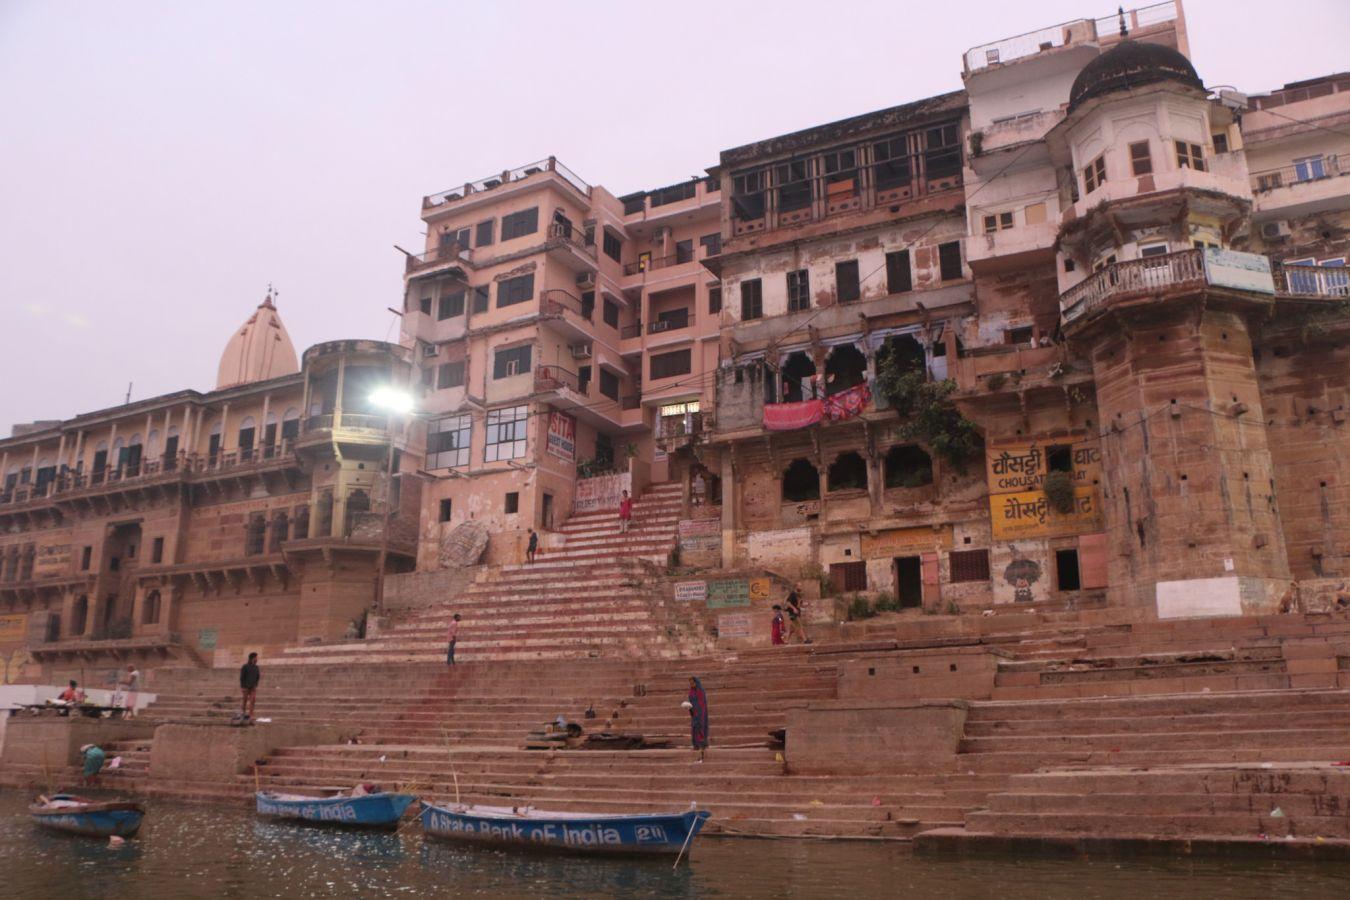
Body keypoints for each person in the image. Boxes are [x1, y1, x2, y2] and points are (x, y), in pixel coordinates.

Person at [686, 677, 709, 763]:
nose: (691, 684)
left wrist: (699, 713)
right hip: (694, 713)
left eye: (693, 683)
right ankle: (696, 745)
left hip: (701, 713)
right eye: (690, 683)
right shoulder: (691, 692)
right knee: (694, 728)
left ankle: (702, 746)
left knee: (701, 728)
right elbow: (691, 702)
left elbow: (702, 703)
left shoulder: (700, 691)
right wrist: (689, 707)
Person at [240, 652, 261, 719]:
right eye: (256, 658)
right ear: (253, 658)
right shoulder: (245, 666)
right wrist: (243, 687)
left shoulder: (256, 667)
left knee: (252, 701)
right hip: (246, 687)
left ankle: (251, 715)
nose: (257, 659)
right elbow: (242, 677)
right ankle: (242, 714)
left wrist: (255, 684)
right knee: (244, 701)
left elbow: (258, 677)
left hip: (253, 687)